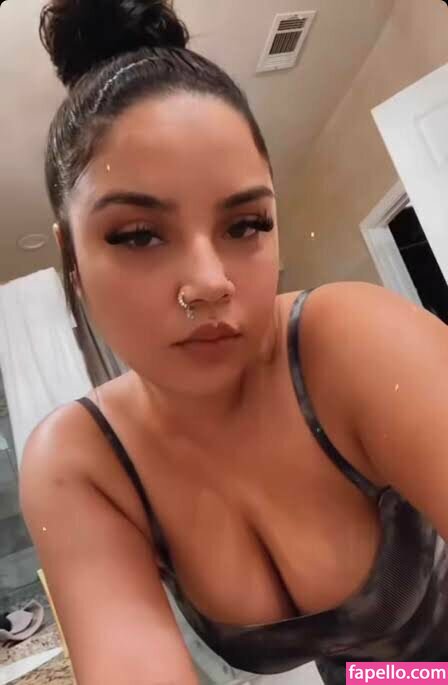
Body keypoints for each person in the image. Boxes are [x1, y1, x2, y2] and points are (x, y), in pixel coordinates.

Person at [19, 1, 448, 684]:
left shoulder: (348, 341)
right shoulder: (80, 463)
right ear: (72, 256)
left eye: (246, 224)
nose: (209, 283)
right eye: (138, 235)